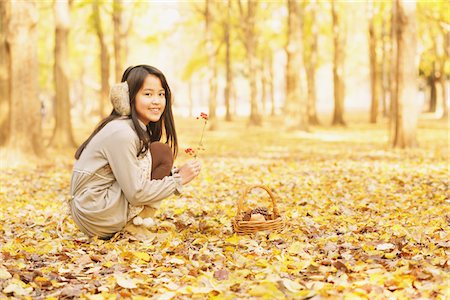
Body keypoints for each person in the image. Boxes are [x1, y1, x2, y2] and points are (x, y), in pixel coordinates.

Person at [70, 65, 201, 239]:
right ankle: (134, 228)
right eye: (148, 94)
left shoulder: (128, 128)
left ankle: (136, 224)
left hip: (94, 209)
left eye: (161, 94)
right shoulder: (122, 133)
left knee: (159, 153)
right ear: (128, 98)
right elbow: (136, 193)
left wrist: (171, 175)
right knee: (160, 152)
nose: (156, 101)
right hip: (96, 213)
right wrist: (178, 180)